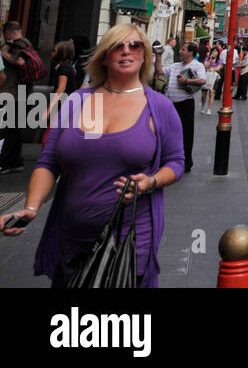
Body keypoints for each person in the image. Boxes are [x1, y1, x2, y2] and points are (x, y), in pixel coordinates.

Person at [1, 23, 184, 287]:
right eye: (117, 45)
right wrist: (31, 208)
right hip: (72, 238)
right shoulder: (83, 101)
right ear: (104, 56)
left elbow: (175, 161)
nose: (126, 51)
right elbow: (50, 161)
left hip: (128, 241)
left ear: (144, 55)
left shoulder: (157, 106)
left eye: (134, 45)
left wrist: (152, 181)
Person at [163, 43, 206, 173]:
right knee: (169, 133)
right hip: (171, 104)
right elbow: (160, 71)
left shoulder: (198, 65)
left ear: (191, 53)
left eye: (183, 49)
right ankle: (170, 160)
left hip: (186, 103)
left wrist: (187, 81)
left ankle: (186, 162)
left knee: (186, 134)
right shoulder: (175, 66)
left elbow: (202, 80)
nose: (180, 51)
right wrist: (159, 56)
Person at [1, 21, 36, 174]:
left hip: (13, 93)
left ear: (8, 32)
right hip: (22, 92)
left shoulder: (19, 45)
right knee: (14, 129)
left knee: (8, 129)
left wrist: (4, 54)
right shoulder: (28, 44)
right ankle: (15, 162)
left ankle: (6, 162)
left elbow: (20, 62)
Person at [44, 40, 83, 126]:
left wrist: (49, 109)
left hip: (63, 105)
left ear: (61, 53)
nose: (51, 53)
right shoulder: (67, 67)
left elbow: (61, 88)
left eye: (54, 51)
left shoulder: (64, 68)